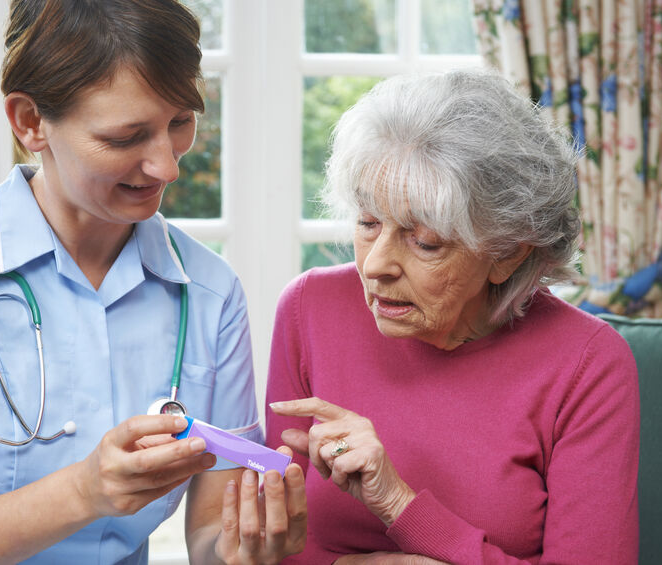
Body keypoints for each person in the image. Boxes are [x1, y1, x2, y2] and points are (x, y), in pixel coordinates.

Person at [0, 1, 306, 563]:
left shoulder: (210, 292)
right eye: (126, 137)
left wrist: (244, 549)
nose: (167, 166)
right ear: (31, 122)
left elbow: (209, 535)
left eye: (180, 121)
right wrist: (84, 492)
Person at [265, 71, 639, 564]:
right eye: (367, 223)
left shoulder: (588, 363)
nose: (375, 265)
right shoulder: (309, 308)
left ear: (506, 253)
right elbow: (273, 540)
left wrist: (399, 506)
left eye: (424, 242)